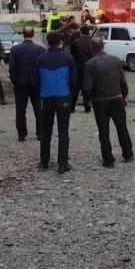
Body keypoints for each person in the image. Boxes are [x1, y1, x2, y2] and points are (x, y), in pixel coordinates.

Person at [82, 37, 133, 167]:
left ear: (91, 48)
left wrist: (88, 100)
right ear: (103, 46)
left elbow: (87, 87)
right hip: (116, 98)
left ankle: (108, 160)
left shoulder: (89, 64)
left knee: (103, 131)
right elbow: (122, 80)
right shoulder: (115, 60)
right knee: (122, 127)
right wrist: (125, 95)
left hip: (99, 101)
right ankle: (128, 154)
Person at [33, 31, 77, 173]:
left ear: (48, 42)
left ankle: (44, 162)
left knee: (46, 131)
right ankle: (63, 164)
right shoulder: (68, 58)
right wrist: (71, 98)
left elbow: (36, 81)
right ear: (61, 42)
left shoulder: (39, 59)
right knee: (63, 131)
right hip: (64, 97)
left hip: (46, 98)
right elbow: (74, 80)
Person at [9, 26, 46, 142]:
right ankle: (40, 132)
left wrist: (15, 81)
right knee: (38, 109)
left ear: (22, 35)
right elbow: (43, 67)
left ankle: (21, 134)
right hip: (36, 83)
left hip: (21, 83)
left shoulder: (15, 49)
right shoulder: (40, 49)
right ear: (33, 34)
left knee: (20, 109)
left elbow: (12, 68)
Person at [70, 25, 96, 113]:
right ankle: (87, 107)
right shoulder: (93, 41)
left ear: (80, 32)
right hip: (90, 67)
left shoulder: (76, 42)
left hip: (78, 67)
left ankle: (72, 107)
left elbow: (72, 54)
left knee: (76, 88)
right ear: (89, 32)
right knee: (87, 88)